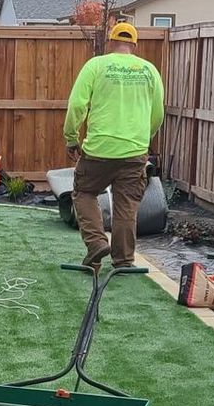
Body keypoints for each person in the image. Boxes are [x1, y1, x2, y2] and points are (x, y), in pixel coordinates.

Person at [63, 21, 164, 271]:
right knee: (126, 204)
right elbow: (158, 113)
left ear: (110, 42)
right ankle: (123, 261)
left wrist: (71, 137)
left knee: (84, 193)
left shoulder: (96, 66)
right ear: (134, 44)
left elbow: (77, 105)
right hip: (134, 152)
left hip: (99, 150)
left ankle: (97, 243)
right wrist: (145, 139)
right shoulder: (149, 70)